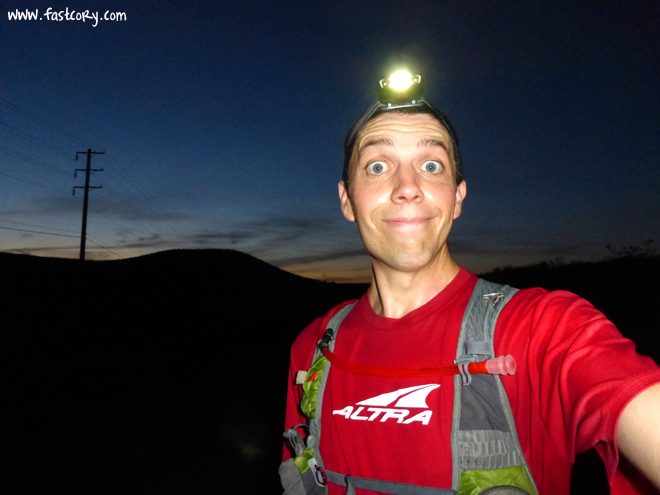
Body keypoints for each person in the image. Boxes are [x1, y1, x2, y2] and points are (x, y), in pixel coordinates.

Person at [281, 71, 660, 495]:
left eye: (431, 166)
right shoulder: (314, 348)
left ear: (457, 197)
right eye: (377, 166)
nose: (407, 187)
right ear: (347, 200)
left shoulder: (543, 329)